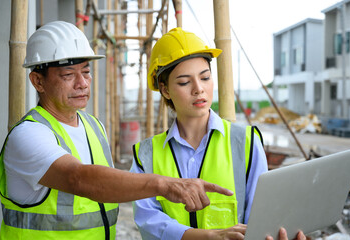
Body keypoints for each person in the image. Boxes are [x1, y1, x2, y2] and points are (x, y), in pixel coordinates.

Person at [0, 21, 234, 240]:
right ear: (38, 82)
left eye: (86, 72)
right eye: (69, 75)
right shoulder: (27, 135)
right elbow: (78, 178)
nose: (83, 83)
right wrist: (167, 185)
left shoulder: (93, 126)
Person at [130, 27, 306, 240]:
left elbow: (260, 214)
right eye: (185, 82)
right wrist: (206, 236)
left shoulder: (246, 142)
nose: (198, 89)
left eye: (205, 78)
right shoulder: (146, 154)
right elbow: (148, 220)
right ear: (165, 89)